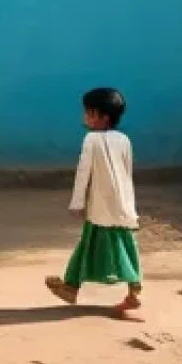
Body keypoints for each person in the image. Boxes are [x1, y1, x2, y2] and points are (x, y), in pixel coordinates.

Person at [46, 87, 142, 319]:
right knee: (126, 245)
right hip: (123, 206)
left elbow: (83, 173)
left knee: (89, 245)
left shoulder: (91, 139)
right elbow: (128, 173)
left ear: (103, 117)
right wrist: (129, 204)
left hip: (100, 207)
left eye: (89, 113)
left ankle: (72, 287)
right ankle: (131, 292)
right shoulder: (124, 140)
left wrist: (77, 202)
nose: (84, 117)